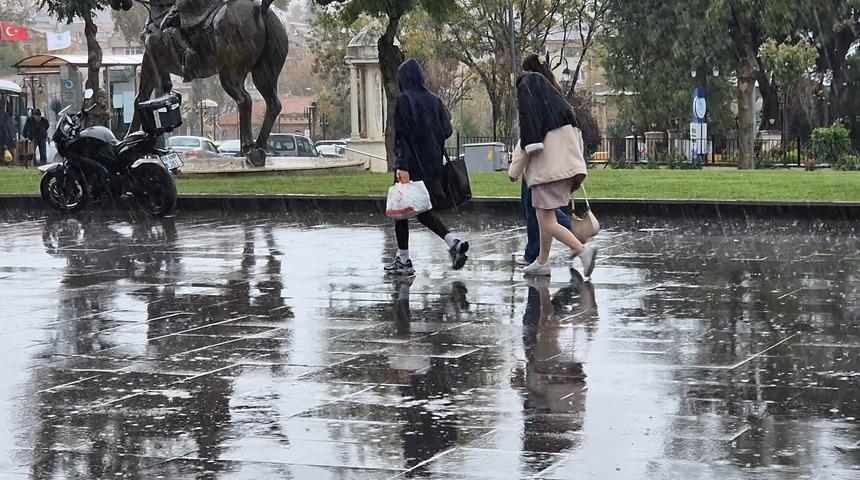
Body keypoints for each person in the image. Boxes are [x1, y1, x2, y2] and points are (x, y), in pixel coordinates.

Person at [508, 72, 597, 278]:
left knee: (547, 221)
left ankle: (583, 252)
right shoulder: (564, 113)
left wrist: (513, 172)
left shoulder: (535, 118)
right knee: (544, 219)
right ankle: (542, 261)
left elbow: (526, 146)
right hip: (566, 173)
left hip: (546, 174)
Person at [385, 58, 469, 276]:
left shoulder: (405, 100)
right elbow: (447, 131)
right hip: (432, 164)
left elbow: (402, 135)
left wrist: (401, 165)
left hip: (411, 165)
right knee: (423, 211)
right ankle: (453, 242)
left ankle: (404, 260)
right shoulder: (435, 100)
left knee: (401, 212)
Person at [516, 54, 574, 265]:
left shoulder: (531, 90)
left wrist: (526, 149)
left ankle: (573, 244)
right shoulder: (552, 92)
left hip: (540, 161)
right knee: (543, 210)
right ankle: (541, 258)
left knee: (537, 210)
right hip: (554, 161)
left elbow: (531, 127)